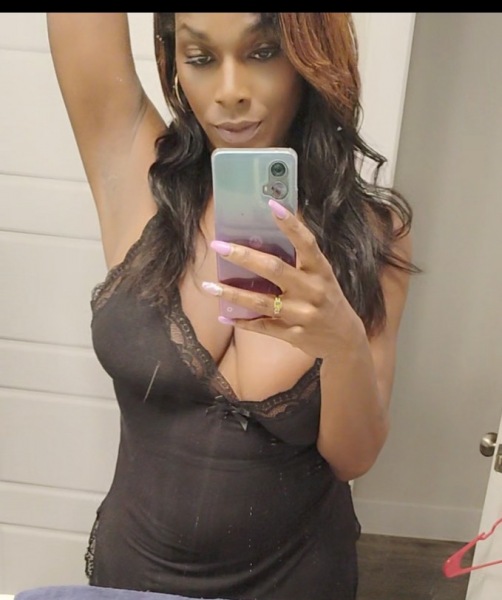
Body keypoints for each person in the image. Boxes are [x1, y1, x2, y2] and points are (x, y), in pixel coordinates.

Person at [47, 12, 419, 600]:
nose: (229, 92)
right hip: (134, 580)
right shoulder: (140, 177)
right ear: (174, 61)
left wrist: (343, 341)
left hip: (298, 581)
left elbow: (352, 458)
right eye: (200, 59)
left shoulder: (370, 234)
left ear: (309, 55)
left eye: (262, 52)